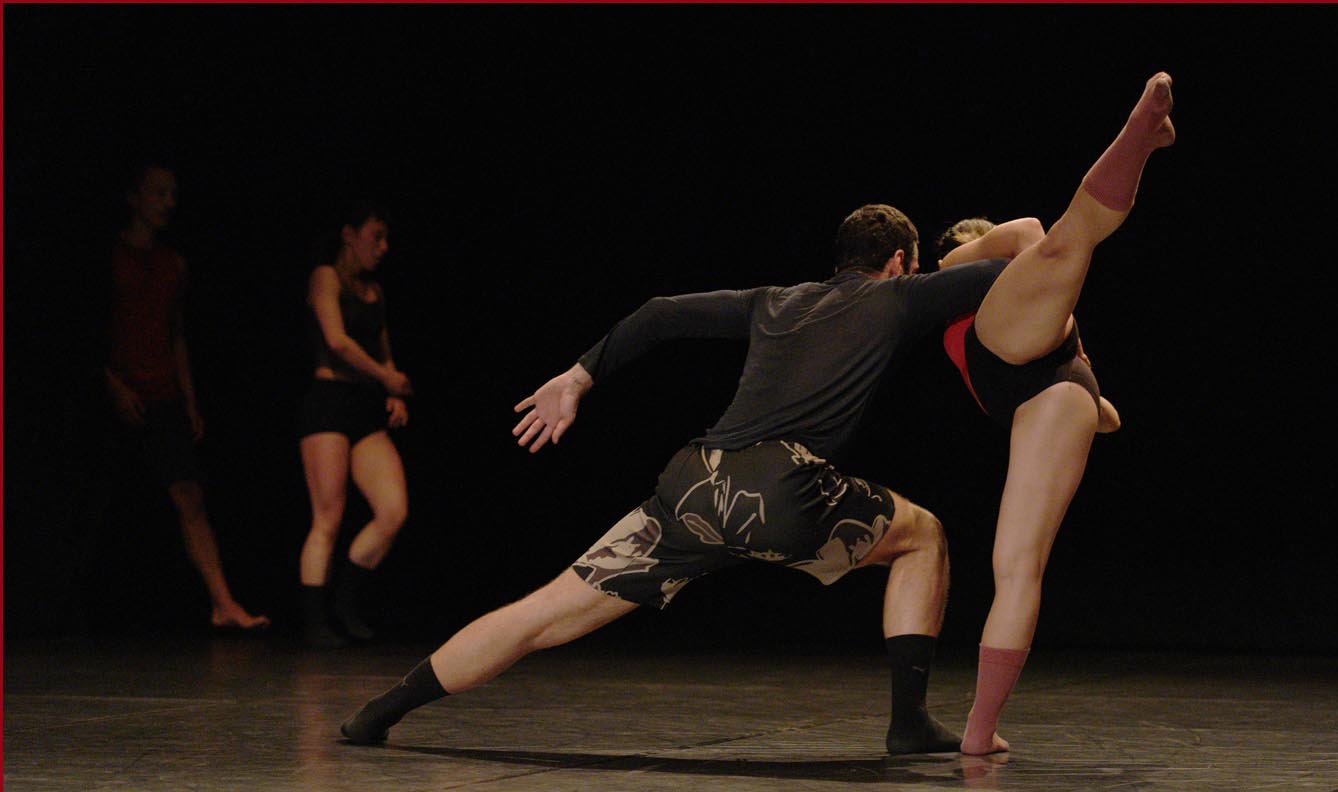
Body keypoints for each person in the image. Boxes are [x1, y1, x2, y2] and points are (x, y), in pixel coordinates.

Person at [340, 203, 1013, 754]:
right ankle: (909, 722)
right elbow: (1017, 264)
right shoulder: (899, 295)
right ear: (898, 261)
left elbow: (660, 311)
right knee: (924, 535)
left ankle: (381, 711)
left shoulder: (773, 301)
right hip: (781, 489)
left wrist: (577, 377)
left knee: (541, 613)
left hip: (694, 484)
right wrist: (977, 252)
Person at [935, 72, 1175, 756]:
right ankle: (980, 730)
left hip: (1037, 372)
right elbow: (1033, 247)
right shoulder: (967, 273)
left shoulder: (966, 268)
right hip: (1053, 379)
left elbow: (1032, 235)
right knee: (1015, 567)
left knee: (1017, 568)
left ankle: (1138, 134)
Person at [103, 162, 270, 632]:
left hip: (163, 394)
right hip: (117, 390)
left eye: (172, 194)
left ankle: (223, 604)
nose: (168, 203)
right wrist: (112, 384)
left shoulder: (174, 264)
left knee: (190, 496)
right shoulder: (112, 257)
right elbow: (88, 328)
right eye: (158, 193)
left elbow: (176, 336)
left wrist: (190, 401)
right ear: (134, 197)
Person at [297, 202, 414, 648]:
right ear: (349, 235)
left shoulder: (375, 292)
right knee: (328, 516)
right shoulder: (325, 277)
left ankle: (345, 601)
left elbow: (384, 352)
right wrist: (386, 377)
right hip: (329, 402)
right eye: (375, 236)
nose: (383, 247)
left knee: (393, 510)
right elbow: (337, 341)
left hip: (365, 408)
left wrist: (393, 390)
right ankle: (315, 620)